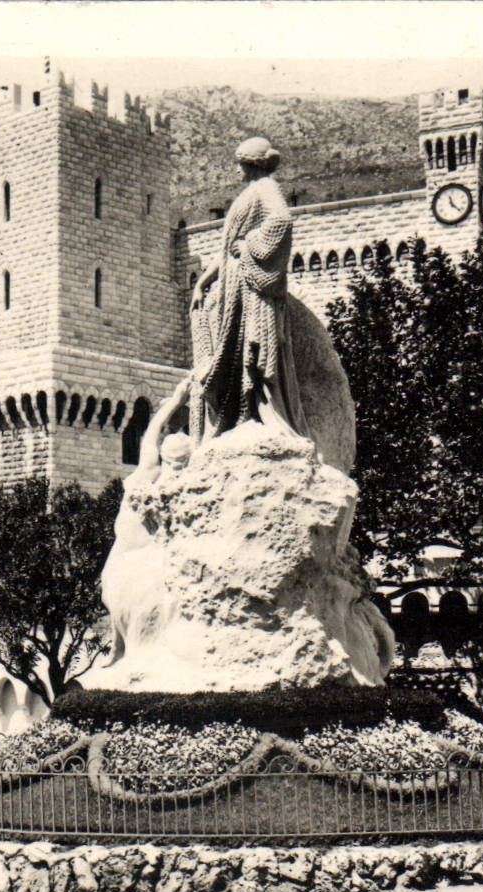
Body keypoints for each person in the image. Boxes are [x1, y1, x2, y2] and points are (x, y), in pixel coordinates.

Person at [189, 136, 306, 444]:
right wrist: (205, 280)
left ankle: (255, 412)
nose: (236, 169)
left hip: (249, 289)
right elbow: (227, 249)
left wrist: (250, 245)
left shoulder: (266, 188)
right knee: (234, 352)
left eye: (239, 163)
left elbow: (281, 221)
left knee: (251, 355)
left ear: (251, 164)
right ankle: (241, 415)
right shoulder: (253, 190)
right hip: (234, 288)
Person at [99, 377, 192, 666]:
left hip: (135, 558)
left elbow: (151, 435)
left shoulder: (153, 476)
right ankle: (119, 646)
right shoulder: (168, 479)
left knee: (121, 598)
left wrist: (176, 401)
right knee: (114, 595)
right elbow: (151, 437)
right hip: (134, 557)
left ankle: (121, 648)